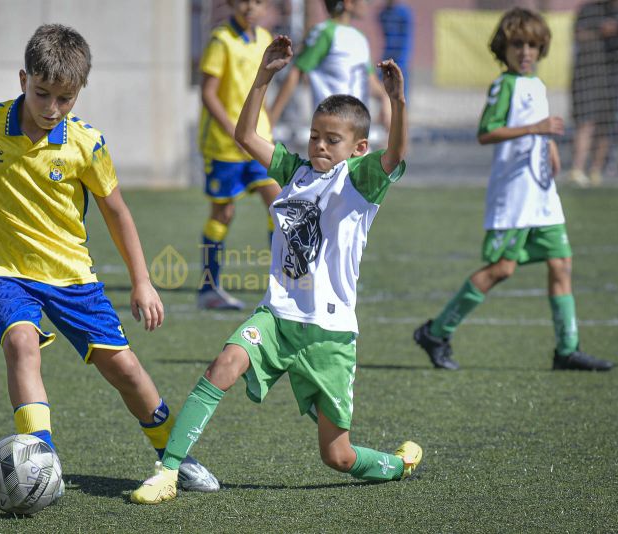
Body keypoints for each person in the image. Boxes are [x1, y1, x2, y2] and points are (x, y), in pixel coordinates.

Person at [0, 24, 219, 497]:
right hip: (4, 269)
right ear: (23, 79)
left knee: (123, 370)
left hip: (71, 275)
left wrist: (142, 282)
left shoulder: (86, 144)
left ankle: (174, 454)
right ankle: (42, 462)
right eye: (42, 94)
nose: (51, 109)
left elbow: (117, 213)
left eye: (65, 99)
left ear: (78, 94)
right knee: (21, 345)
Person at [130, 35, 421, 505]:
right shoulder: (295, 171)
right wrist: (263, 77)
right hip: (277, 316)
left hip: (328, 333)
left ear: (358, 146)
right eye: (315, 135)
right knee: (222, 365)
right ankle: (167, 471)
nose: (320, 145)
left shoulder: (361, 181)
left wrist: (397, 102)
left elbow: (395, 155)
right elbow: (245, 136)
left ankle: (395, 464)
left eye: (333, 139)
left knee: (339, 456)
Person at [413, 8, 614, 372]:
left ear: (542, 49)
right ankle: (437, 331)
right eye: (518, 44)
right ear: (503, 48)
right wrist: (535, 129)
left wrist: (549, 145)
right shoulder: (504, 85)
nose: (525, 52)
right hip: (515, 196)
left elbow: (538, 126)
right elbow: (486, 132)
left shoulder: (536, 84)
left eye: (533, 45)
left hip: (542, 193)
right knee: (502, 269)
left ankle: (567, 350)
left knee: (561, 263)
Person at [197, 0, 282, 311]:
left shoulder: (264, 39)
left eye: (258, 2)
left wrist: (268, 122)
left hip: (258, 142)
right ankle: (209, 288)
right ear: (232, 4)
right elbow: (208, 93)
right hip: (225, 145)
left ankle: (281, 285)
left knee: (280, 205)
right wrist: (235, 131)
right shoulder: (221, 40)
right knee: (223, 214)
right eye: (244, 1)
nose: (250, 7)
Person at [269, 0, 391, 139]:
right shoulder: (324, 33)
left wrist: (385, 98)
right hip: (331, 137)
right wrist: (271, 120)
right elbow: (295, 74)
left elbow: (370, 81)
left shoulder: (360, 37)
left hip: (357, 134)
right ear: (348, 3)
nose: (368, 4)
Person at [569, 0, 618, 187]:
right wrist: (601, 31)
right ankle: (577, 169)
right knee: (585, 122)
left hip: (612, 77)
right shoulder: (589, 10)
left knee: (606, 125)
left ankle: (596, 171)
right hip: (586, 75)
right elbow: (578, 35)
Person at [378, 0, 414, 100]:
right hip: (388, 53)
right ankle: (386, 109)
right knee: (382, 84)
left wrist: (402, 56)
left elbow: (406, 37)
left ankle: (403, 112)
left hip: (401, 57)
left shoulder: (404, 13)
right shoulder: (383, 13)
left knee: (401, 89)